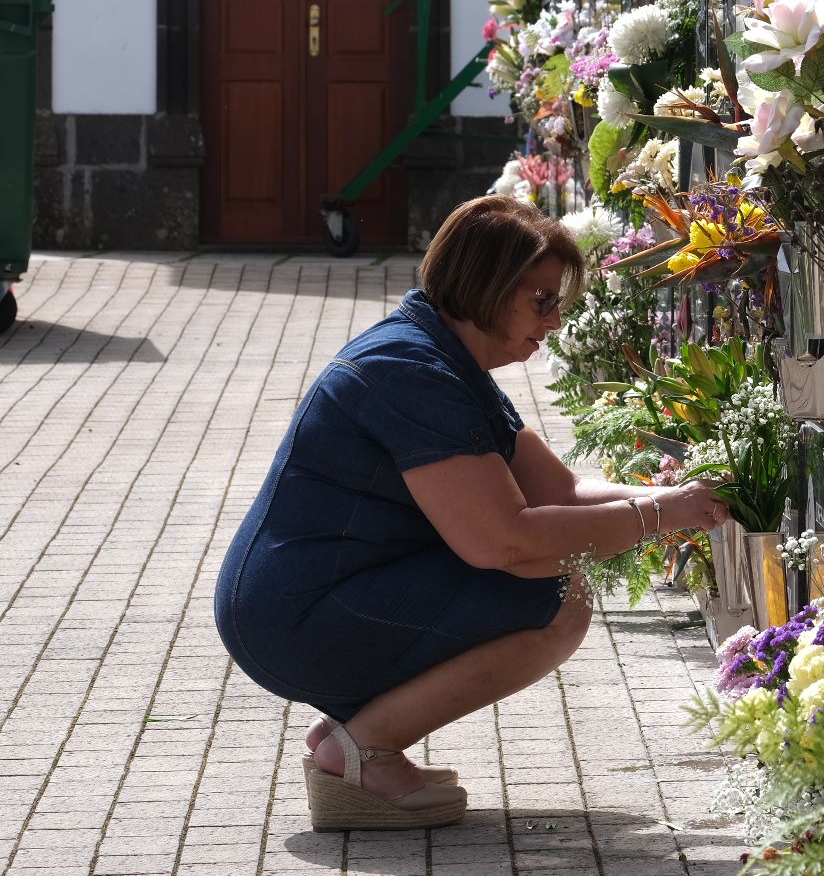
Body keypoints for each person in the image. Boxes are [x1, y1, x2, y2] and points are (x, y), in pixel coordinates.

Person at [213, 196, 730, 831]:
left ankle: (355, 738)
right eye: (542, 300)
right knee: (554, 593)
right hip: (295, 617)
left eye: (559, 301)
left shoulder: (441, 358)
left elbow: (561, 492)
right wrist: (655, 517)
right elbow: (502, 541)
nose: (556, 320)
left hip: (309, 599)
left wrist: (677, 499)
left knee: (552, 572)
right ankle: (358, 752)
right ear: (487, 286)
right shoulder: (411, 371)